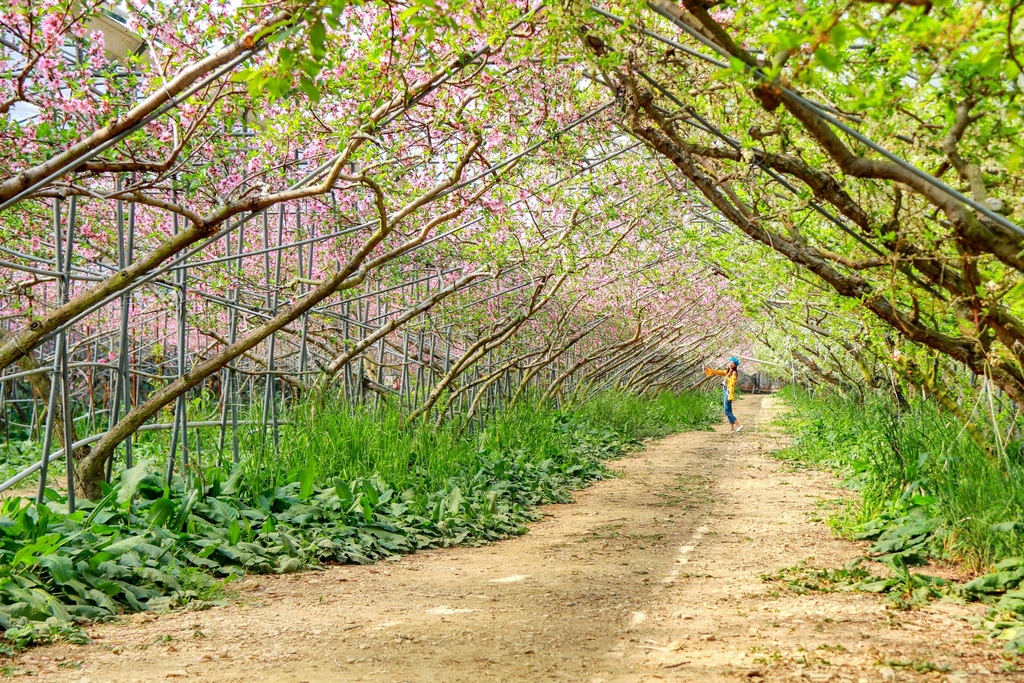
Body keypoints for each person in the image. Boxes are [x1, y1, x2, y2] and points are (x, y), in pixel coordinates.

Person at [704, 357, 743, 433]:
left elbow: (732, 383)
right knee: (729, 410)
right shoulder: (727, 371)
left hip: (728, 391)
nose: (731, 364)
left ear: (735, 366)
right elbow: (717, 372)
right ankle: (732, 428)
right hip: (725, 390)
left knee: (726, 411)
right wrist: (707, 369)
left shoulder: (733, 373)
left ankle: (738, 425)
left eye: (733, 363)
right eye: (730, 362)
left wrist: (730, 394)